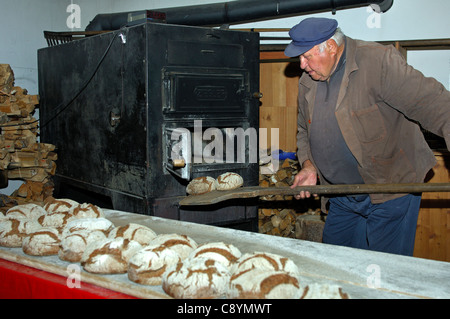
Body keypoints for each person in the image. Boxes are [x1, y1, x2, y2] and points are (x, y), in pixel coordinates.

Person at [284, 17, 450, 256]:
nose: (301, 65)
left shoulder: (378, 62)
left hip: (389, 190)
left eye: (307, 56)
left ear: (331, 47)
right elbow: (304, 131)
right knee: (337, 266)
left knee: (385, 271)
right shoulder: (308, 81)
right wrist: (309, 165)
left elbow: (435, 104)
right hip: (341, 195)